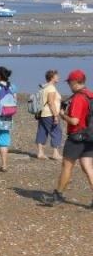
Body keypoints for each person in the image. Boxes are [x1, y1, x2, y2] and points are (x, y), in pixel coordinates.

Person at [45, 69, 93, 206]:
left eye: (69, 83)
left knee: (67, 166)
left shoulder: (78, 98)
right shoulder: (90, 95)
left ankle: (58, 195)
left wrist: (62, 115)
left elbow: (74, 121)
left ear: (74, 82)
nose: (69, 86)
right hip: (90, 136)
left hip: (77, 137)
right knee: (88, 167)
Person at [35, 69, 62, 160]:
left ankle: (40, 153)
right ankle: (55, 153)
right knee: (56, 132)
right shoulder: (51, 88)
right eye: (57, 76)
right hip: (49, 113)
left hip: (42, 113)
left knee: (42, 131)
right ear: (52, 78)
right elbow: (51, 102)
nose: (58, 77)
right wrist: (55, 115)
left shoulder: (44, 87)